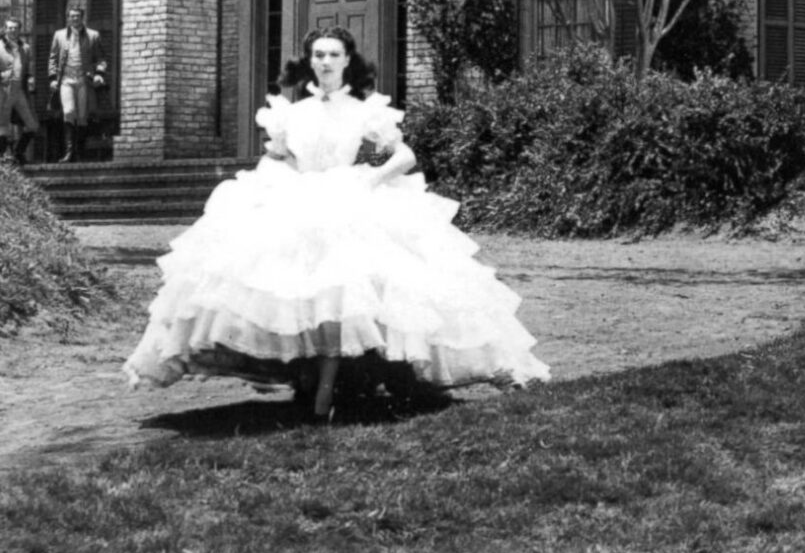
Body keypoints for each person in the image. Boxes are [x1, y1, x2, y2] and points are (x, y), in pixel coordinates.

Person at [123, 24, 548, 419]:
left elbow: (406, 156)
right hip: (304, 198)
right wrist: (276, 183)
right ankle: (314, 383)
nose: (325, 62)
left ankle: (361, 382)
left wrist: (370, 181)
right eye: (319, 54)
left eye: (334, 55)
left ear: (348, 61)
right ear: (310, 60)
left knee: (367, 286)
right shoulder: (291, 112)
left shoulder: (364, 110)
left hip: (350, 195)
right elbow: (279, 158)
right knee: (293, 289)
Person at [47, 4, 103, 163]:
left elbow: (101, 59)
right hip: (66, 79)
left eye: (77, 16)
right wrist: (52, 78)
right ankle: (69, 152)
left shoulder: (93, 35)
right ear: (68, 17)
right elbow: (53, 58)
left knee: (83, 116)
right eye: (72, 16)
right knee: (69, 111)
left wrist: (99, 74)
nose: (74, 19)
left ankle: (80, 152)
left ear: (82, 17)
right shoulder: (59, 35)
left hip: (84, 79)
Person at [0, 18, 38, 163]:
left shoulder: (25, 48)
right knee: (2, 126)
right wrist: (0, 75)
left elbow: (27, 68)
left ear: (19, 30)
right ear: (4, 29)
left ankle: (19, 151)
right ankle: (2, 160)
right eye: (10, 28)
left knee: (32, 125)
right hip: (1, 89)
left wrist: (30, 78)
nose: (13, 31)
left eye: (16, 28)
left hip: (18, 90)